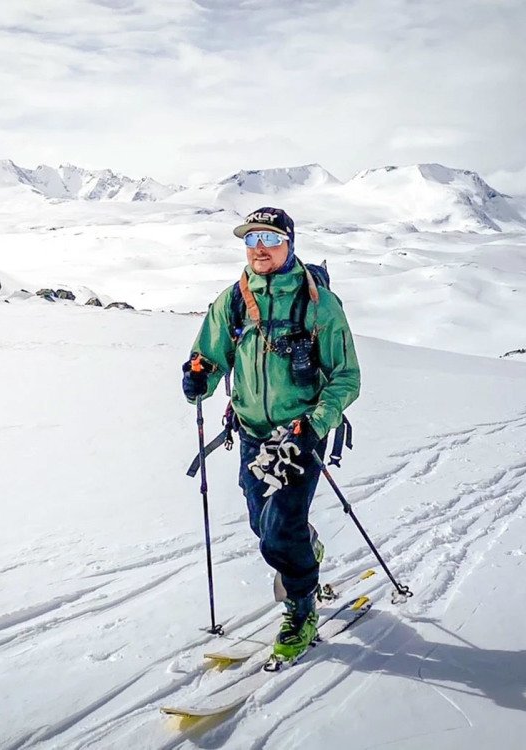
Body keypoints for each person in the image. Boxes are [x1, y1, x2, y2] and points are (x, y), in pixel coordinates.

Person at [181, 207, 361, 662]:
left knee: (280, 530)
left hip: (299, 434)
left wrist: (315, 424)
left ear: (289, 242)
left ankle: (301, 610)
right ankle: (306, 544)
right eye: (250, 239)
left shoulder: (317, 304)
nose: (258, 247)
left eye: (268, 237)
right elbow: (209, 354)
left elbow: (346, 378)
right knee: (264, 525)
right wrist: (198, 376)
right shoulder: (234, 300)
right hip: (251, 431)